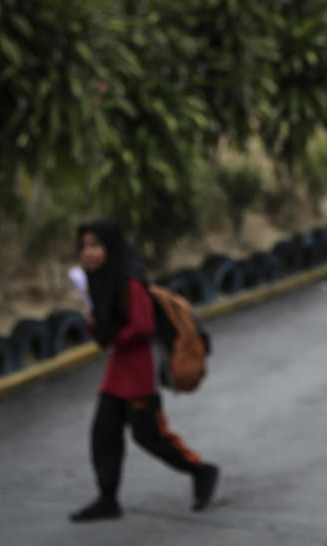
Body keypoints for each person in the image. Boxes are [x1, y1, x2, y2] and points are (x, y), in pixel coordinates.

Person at [70, 220, 218, 522]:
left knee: (150, 436)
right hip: (118, 369)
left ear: (110, 247)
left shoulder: (129, 281)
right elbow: (104, 330)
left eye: (95, 245)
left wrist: (111, 337)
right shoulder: (100, 280)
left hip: (140, 369)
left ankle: (201, 470)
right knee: (104, 433)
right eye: (84, 246)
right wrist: (94, 322)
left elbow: (143, 326)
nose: (89, 252)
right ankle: (107, 499)